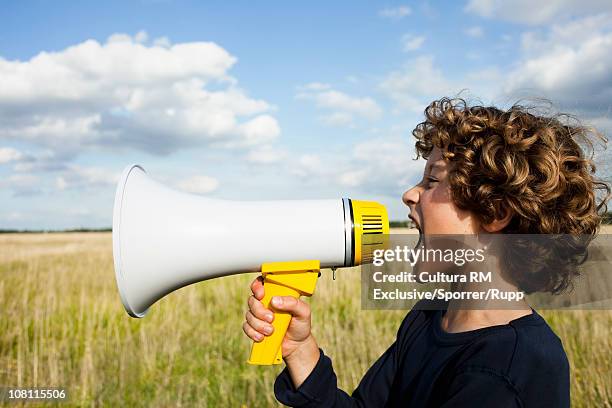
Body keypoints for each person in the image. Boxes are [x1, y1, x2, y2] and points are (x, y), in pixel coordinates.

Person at [242, 97, 610, 407]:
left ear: (495, 213)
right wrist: (300, 350)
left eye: (432, 180)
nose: (409, 194)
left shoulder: (512, 368)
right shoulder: (430, 316)